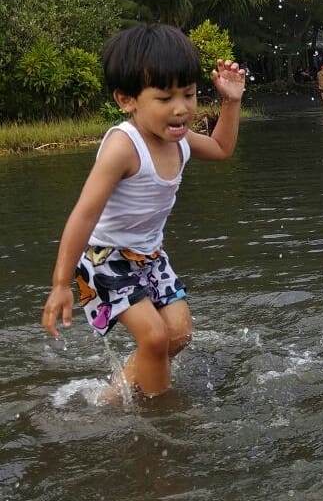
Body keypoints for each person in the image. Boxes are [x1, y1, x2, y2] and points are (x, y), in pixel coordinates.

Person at [41, 24, 246, 398]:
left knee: (179, 334)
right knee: (153, 337)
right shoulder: (124, 146)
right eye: (165, 98)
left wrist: (231, 101)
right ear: (127, 99)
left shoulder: (180, 141)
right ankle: (161, 417)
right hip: (106, 259)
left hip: (150, 257)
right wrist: (60, 284)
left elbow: (220, 148)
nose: (181, 109)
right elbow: (83, 215)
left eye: (189, 94)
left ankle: (117, 392)